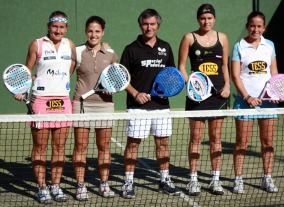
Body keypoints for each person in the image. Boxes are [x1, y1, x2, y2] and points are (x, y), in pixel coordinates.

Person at [14, 11, 75, 204]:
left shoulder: (70, 45)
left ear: (66, 29)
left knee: (59, 147)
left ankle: (55, 187)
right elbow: (27, 71)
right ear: (49, 26)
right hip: (41, 101)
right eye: (55, 26)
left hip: (63, 101)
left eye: (62, 27)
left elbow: (71, 68)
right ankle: (42, 188)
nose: (58, 30)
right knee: (40, 147)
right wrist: (21, 90)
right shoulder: (37, 44)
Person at [120, 8, 181, 199]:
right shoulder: (131, 49)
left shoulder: (166, 47)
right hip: (137, 106)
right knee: (133, 145)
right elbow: (122, 77)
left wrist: (166, 91)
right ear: (141, 25)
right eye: (145, 24)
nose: (149, 27)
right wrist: (136, 93)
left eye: (152, 24)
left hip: (161, 107)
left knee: (163, 143)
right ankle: (128, 182)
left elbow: (172, 75)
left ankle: (165, 180)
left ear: (158, 25)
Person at [178, 4, 230, 196]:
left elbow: (224, 66)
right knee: (196, 139)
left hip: (218, 97)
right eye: (202, 18)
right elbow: (181, 65)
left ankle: (215, 180)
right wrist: (190, 85)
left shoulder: (222, 37)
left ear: (214, 19)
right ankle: (193, 180)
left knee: (216, 138)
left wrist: (227, 86)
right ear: (198, 19)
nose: (206, 21)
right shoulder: (189, 38)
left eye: (209, 18)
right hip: (197, 97)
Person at [231, 11, 279, 194]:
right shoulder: (239, 46)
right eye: (252, 25)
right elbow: (235, 75)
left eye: (259, 26)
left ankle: (267, 178)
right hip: (245, 103)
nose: (256, 29)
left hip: (268, 104)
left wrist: (275, 91)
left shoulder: (270, 46)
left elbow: (274, 72)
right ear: (247, 26)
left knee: (267, 142)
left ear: (264, 27)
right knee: (241, 143)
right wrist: (247, 97)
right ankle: (238, 179)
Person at [71, 16, 118, 200]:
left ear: (103, 32)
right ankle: (80, 185)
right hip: (81, 105)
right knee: (80, 146)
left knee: (104, 146)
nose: (93, 34)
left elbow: (116, 78)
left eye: (97, 31)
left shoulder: (111, 53)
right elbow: (65, 75)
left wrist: (111, 89)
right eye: (90, 31)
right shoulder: (77, 51)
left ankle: (104, 184)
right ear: (85, 31)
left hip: (105, 106)